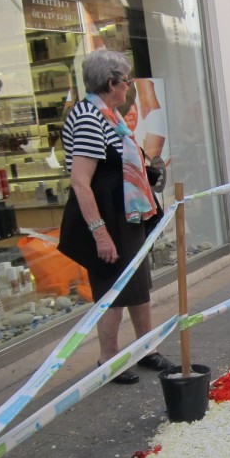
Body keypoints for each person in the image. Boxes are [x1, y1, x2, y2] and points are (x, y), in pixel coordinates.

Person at [57, 50, 173, 386]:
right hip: (107, 217)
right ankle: (107, 361)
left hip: (124, 213)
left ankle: (147, 349)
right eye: (125, 82)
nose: (128, 88)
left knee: (138, 285)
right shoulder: (89, 118)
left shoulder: (107, 114)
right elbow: (80, 181)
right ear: (111, 83)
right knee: (112, 291)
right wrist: (100, 233)